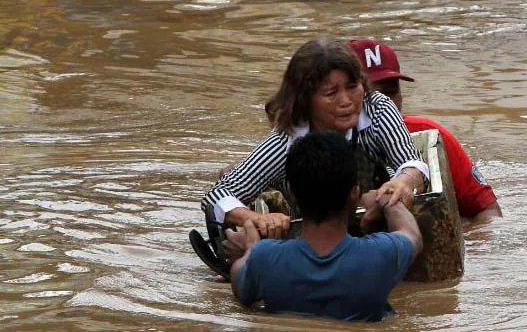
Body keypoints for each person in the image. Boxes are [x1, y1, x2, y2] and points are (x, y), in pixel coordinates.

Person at [196, 37, 429, 275]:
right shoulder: (286, 140)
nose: (346, 101)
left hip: (373, 213)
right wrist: (253, 218)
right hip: (316, 232)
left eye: (352, 87)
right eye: (331, 93)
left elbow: (413, 163)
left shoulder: (377, 109)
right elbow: (217, 196)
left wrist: (403, 182)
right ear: (305, 100)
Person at [226, 131, 422, 321]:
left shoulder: (263, 259)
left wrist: (248, 249)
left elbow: (240, 287)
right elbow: (412, 236)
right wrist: (387, 199)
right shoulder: (381, 254)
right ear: (354, 194)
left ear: (293, 194)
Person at [348, 39, 503, 222]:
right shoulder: (314, 140)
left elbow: (489, 211)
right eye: (370, 94)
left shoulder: (432, 135)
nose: (383, 103)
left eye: (391, 92)